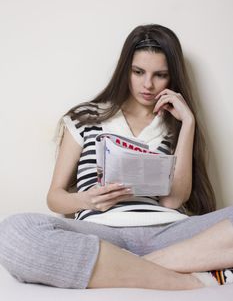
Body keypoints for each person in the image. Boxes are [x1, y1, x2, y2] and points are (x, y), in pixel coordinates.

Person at [0, 24, 233, 290]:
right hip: (102, 231)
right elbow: (55, 197)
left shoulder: (176, 124)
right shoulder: (84, 118)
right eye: (138, 72)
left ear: (172, 78)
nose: (148, 84)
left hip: (170, 232)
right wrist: (84, 200)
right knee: (15, 232)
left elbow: (173, 200)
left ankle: (129, 266)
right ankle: (185, 277)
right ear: (125, 70)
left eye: (160, 75)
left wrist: (189, 122)